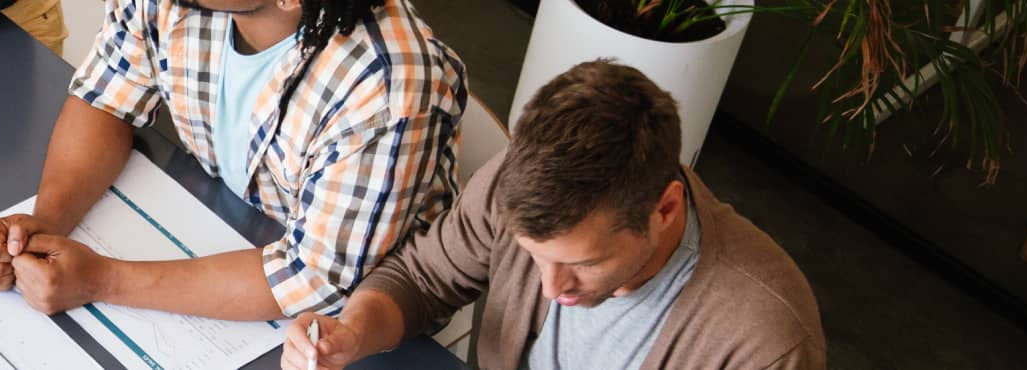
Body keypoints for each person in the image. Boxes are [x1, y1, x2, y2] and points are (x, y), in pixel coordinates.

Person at [0, 0, 469, 320]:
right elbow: (107, 97)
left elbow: (314, 280)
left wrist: (100, 279)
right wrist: (43, 225)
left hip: (356, 317)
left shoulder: (387, 95)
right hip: (230, 224)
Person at [281, 60, 826, 370]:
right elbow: (423, 278)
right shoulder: (515, 184)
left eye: (584, 264)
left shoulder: (765, 340)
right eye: (534, 256)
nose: (550, 287)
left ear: (664, 209)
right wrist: (351, 331)